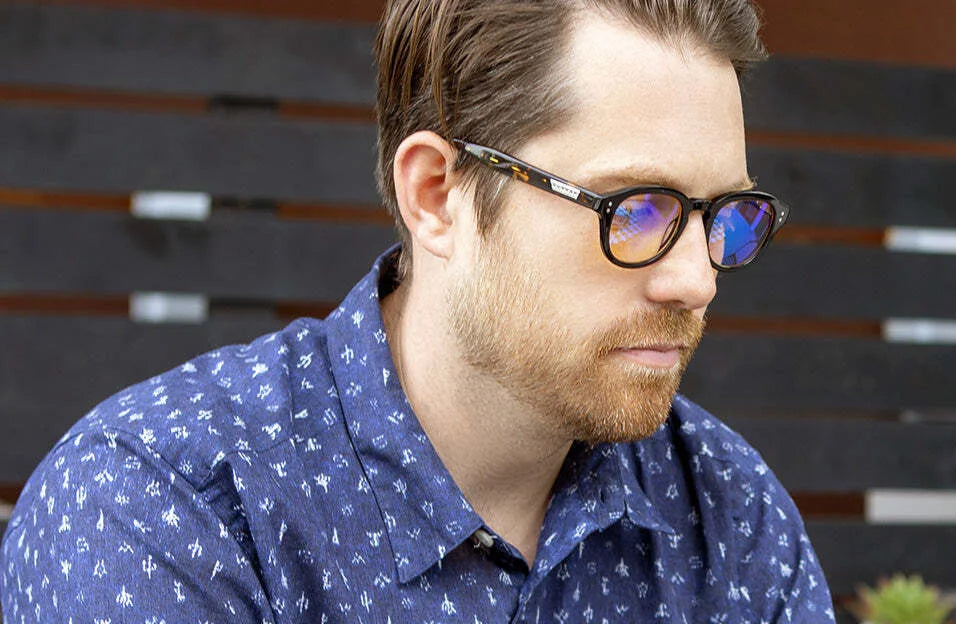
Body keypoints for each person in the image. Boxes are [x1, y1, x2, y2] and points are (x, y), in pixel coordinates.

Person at [0, 0, 835, 621]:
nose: (697, 281)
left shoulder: (725, 516)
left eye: (725, 216)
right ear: (436, 195)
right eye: (637, 210)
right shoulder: (161, 510)